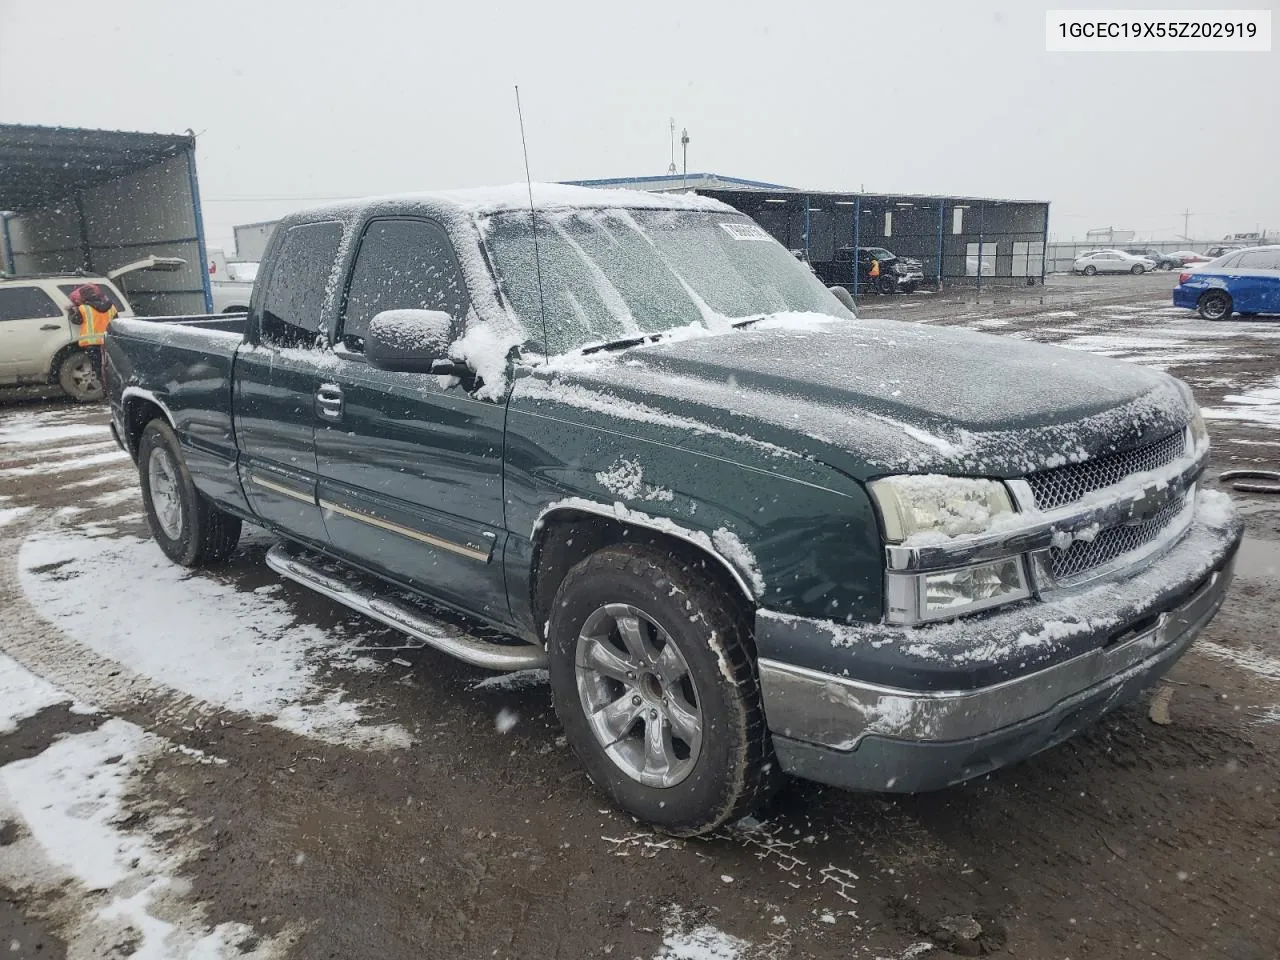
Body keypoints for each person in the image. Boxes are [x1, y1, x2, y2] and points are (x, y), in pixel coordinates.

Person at [68, 283, 118, 354]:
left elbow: (75, 320)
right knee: (107, 364)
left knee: (96, 364)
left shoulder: (83, 308)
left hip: (91, 344)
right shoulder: (112, 307)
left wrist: (71, 311)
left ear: (83, 296)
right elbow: (116, 323)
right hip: (108, 342)